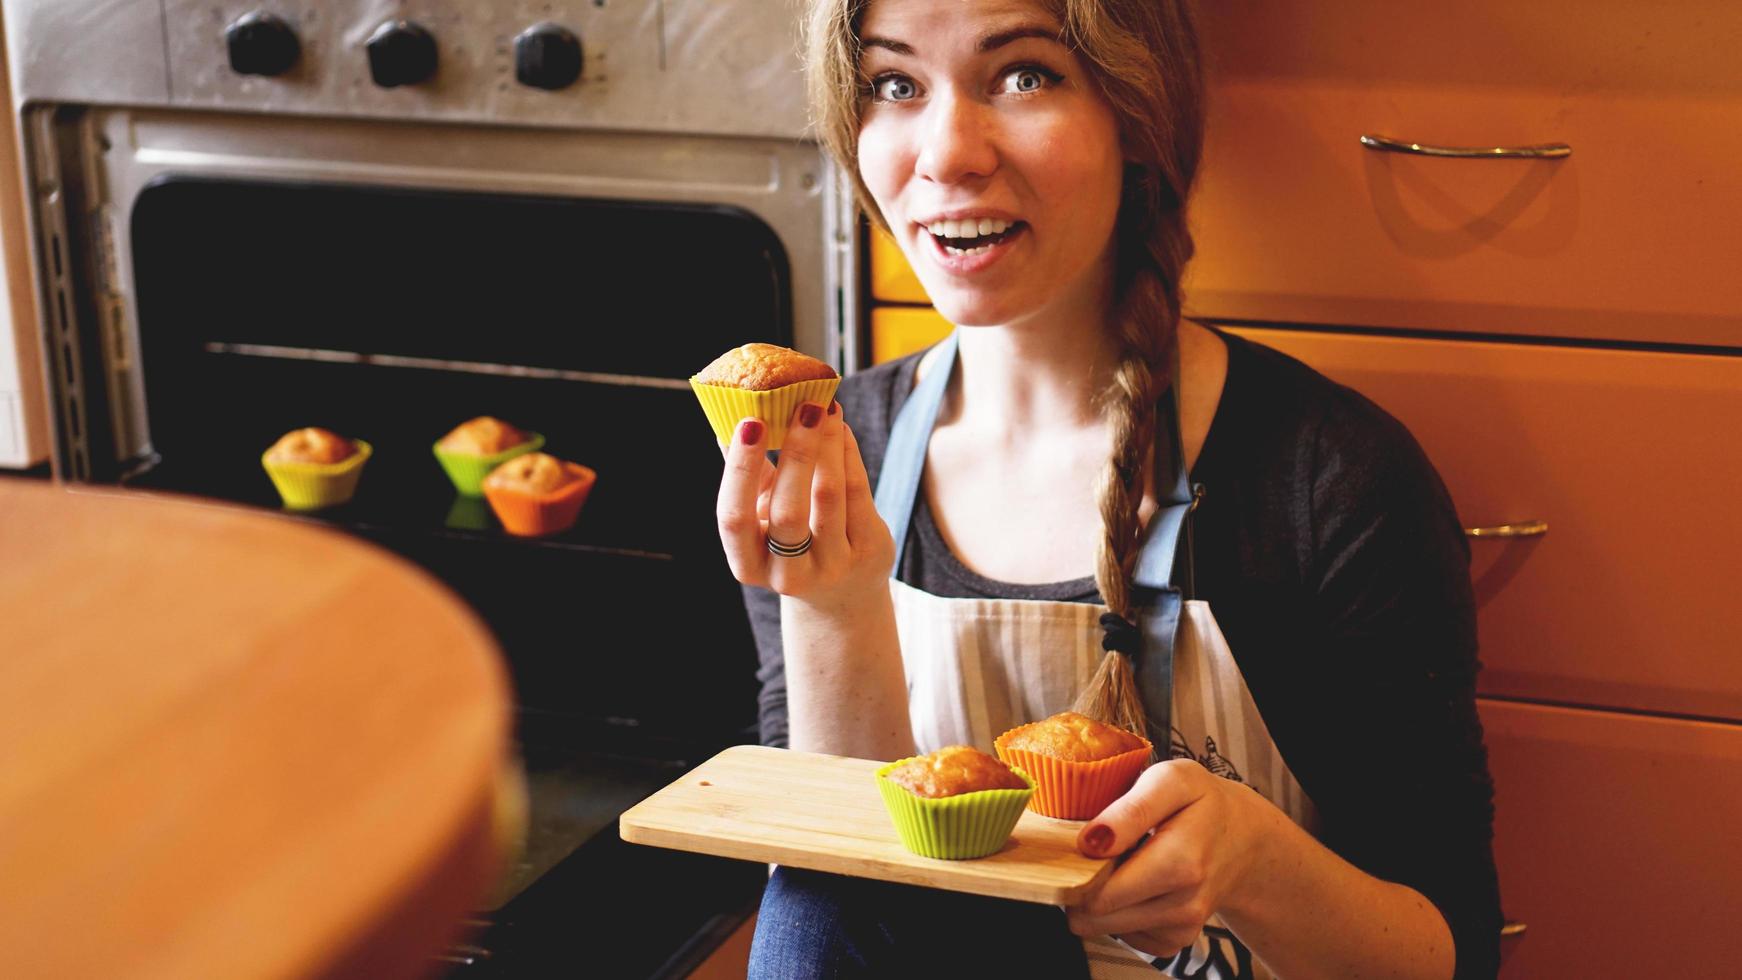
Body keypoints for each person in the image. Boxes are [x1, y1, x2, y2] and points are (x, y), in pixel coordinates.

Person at [713, 1, 1502, 977]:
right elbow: (841, 906)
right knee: (812, 894)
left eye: (1023, 75)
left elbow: (1448, 953)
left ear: (1135, 116)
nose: (948, 152)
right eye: (893, 84)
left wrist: (1253, 858)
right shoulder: (828, 457)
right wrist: (831, 604)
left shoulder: (1329, 478)